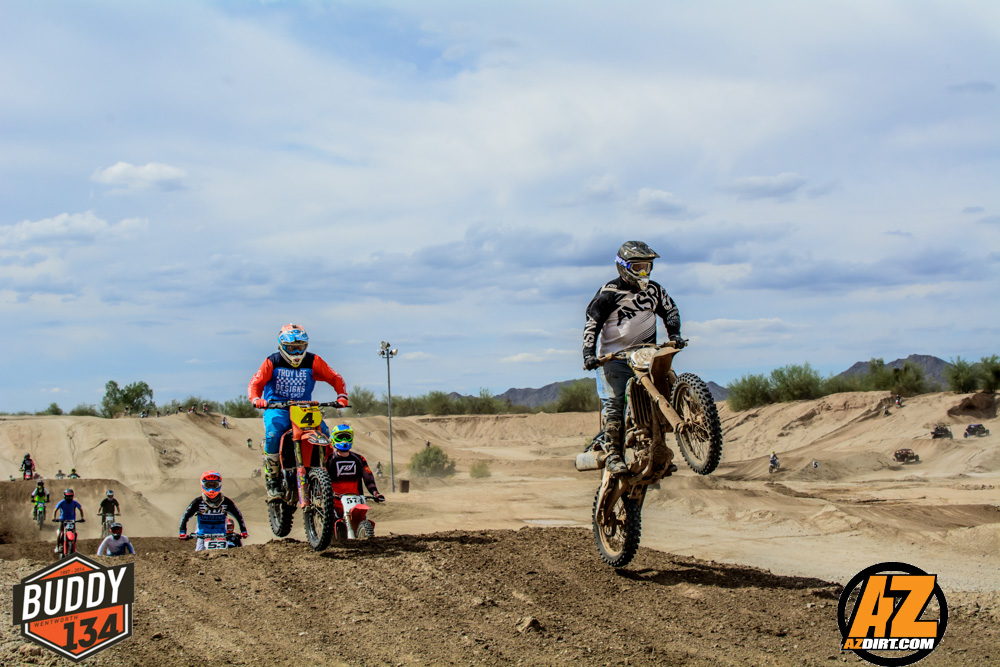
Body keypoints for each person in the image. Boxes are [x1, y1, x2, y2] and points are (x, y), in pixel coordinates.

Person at [582, 240, 683, 474]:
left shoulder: (655, 290)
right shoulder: (609, 293)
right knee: (615, 405)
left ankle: (659, 450)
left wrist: (675, 334)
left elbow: (671, 310)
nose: (643, 272)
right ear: (623, 267)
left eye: (647, 267)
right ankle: (613, 455)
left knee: (662, 393)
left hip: (646, 356)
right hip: (613, 359)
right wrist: (588, 354)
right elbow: (592, 323)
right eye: (638, 267)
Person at [248, 324, 349, 500]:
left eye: (300, 347)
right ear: (282, 346)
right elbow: (255, 383)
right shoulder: (273, 361)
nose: (296, 352)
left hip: (304, 408)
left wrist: (341, 396)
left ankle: (327, 475)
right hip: (277, 407)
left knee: (325, 434)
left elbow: (335, 377)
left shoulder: (313, 360)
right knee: (273, 434)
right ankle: (272, 479)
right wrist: (256, 399)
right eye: (291, 348)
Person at [324, 424, 384, 518]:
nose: (344, 440)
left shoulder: (359, 459)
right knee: (331, 522)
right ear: (334, 438)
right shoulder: (328, 460)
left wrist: (375, 492)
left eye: (347, 437)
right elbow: (323, 481)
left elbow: (368, 478)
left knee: (363, 520)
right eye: (340, 437)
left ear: (351, 438)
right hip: (335, 502)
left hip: (357, 501)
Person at [178, 471, 248, 551]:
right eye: (208, 485)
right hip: (203, 536)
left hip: (221, 536)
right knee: (198, 555)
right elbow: (186, 516)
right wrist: (182, 532)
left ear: (219, 485)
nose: (211, 489)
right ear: (203, 485)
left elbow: (238, 515)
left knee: (228, 554)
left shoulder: (226, 502)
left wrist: (243, 530)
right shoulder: (198, 502)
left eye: (214, 485)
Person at [53, 488, 85, 553]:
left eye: (70, 496)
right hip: (63, 519)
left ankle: (73, 546)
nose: (69, 497)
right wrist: (54, 518)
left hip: (71, 520)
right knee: (60, 533)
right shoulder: (62, 502)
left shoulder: (74, 502)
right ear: (64, 496)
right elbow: (55, 510)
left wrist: (82, 518)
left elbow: (80, 509)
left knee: (74, 533)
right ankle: (57, 546)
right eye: (67, 496)